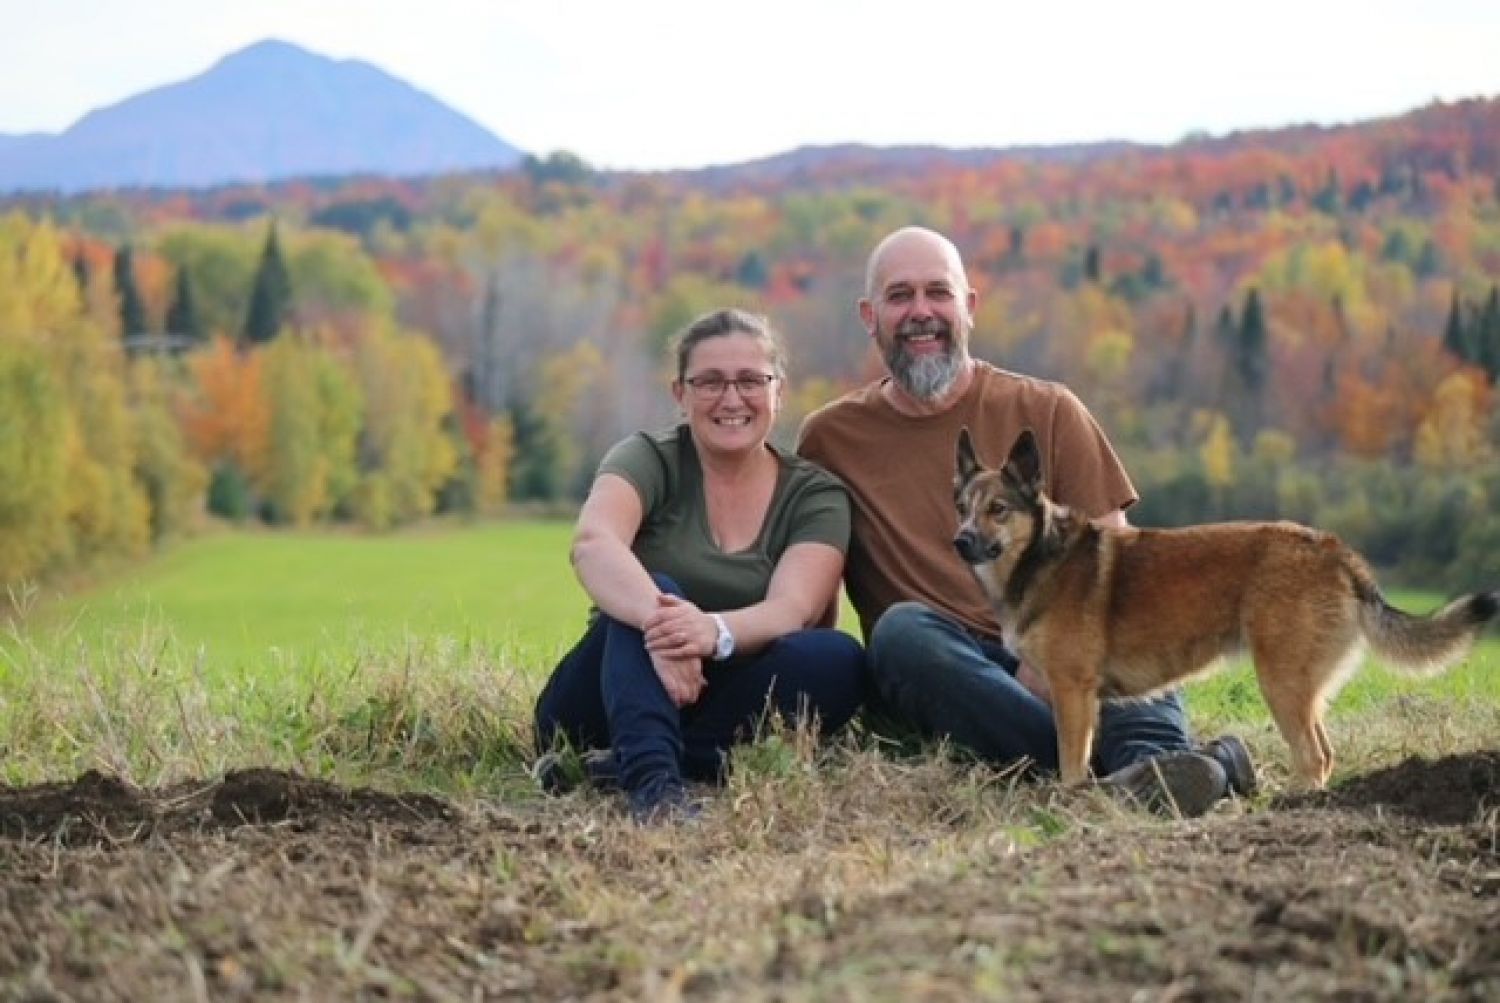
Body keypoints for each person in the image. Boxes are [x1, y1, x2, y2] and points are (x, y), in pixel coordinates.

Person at [796, 226, 1255, 817]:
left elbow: (1121, 566)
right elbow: (816, 580)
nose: (921, 313)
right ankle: (1163, 774)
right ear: (869, 314)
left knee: (1119, 631)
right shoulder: (831, 439)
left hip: (1071, 639)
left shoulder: (1047, 409)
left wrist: (1048, 659)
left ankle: (1156, 766)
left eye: (938, 292)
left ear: (969, 306)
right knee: (900, 632)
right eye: (899, 296)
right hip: (950, 666)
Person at [534, 308, 866, 821]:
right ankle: (655, 788)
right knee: (658, 588)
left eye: (751, 381)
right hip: (606, 695)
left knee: (839, 657)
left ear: (778, 391)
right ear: (680, 393)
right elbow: (594, 543)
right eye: (709, 381)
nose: (731, 399)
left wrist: (710, 633)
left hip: (727, 702)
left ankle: (630, 766)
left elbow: (794, 608)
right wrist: (662, 624)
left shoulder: (814, 494)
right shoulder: (648, 458)